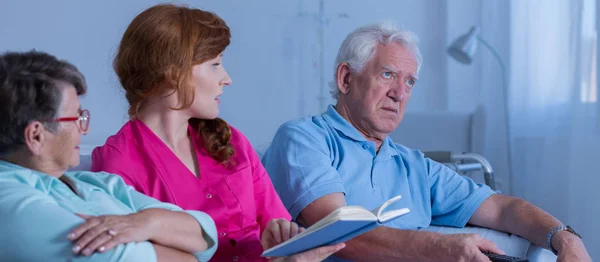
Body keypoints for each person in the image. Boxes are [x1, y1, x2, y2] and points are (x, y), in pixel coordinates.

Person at [262, 21, 592, 262]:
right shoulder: (304, 139)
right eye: (388, 75)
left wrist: (564, 237)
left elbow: (504, 209)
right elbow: (337, 236)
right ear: (346, 78)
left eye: (410, 82)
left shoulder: (414, 166)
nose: (400, 93)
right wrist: (439, 247)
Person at [91, 4, 344, 262]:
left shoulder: (233, 141)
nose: (227, 78)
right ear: (173, 72)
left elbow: (277, 228)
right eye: (215, 64)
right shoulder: (118, 165)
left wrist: (286, 243)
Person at [0, 50, 219, 262]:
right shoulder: (9, 202)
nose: (84, 129)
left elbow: (206, 237)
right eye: (75, 118)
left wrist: (147, 223)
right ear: (36, 136)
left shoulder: (96, 183)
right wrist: (168, 240)